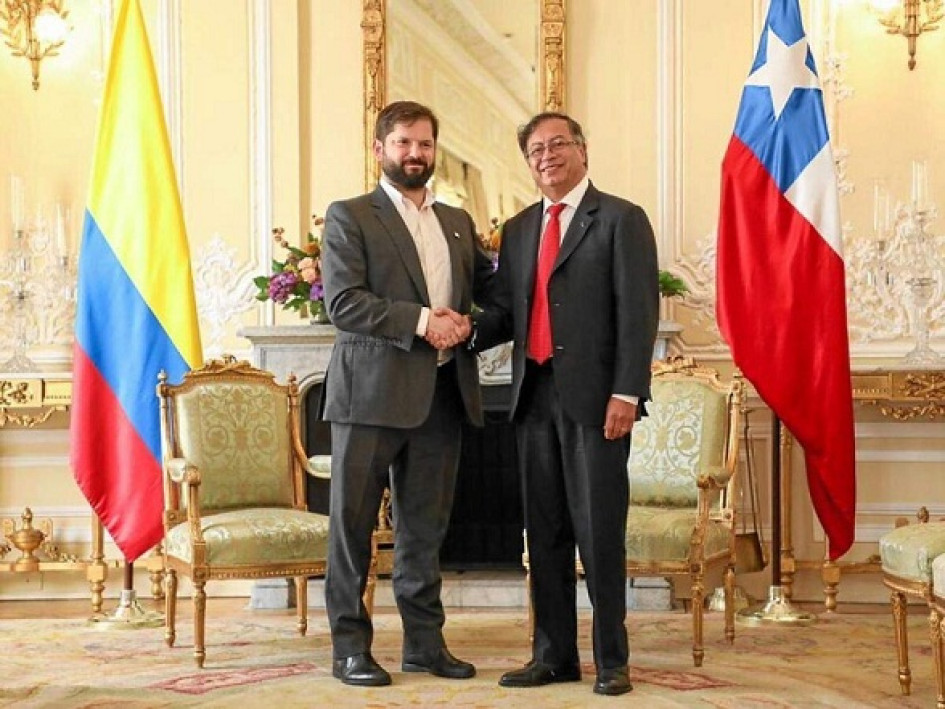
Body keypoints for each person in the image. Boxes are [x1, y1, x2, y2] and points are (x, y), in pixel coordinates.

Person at [473, 112, 659, 696]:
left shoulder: (621, 219)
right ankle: (552, 654)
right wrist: (459, 332)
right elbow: (507, 309)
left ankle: (612, 660)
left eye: (557, 144)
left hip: (598, 400)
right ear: (527, 163)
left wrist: (627, 392)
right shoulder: (523, 226)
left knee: (599, 532)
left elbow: (638, 314)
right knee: (545, 532)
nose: (546, 156)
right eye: (535, 150)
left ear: (582, 149)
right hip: (533, 397)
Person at [319, 100, 495, 687]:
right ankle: (349, 648)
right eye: (402, 143)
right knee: (351, 529)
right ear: (379, 149)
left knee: (425, 530)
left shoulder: (457, 222)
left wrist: (470, 323)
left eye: (424, 144)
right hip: (369, 397)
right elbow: (342, 303)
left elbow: (487, 296)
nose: (414, 154)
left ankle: (424, 644)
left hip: (443, 395)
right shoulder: (350, 216)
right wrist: (424, 321)